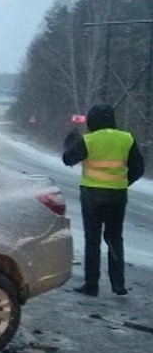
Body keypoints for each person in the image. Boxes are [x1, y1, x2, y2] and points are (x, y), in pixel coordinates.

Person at [62, 104, 145, 296]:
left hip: (92, 195)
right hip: (117, 196)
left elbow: (68, 159)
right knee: (115, 238)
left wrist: (70, 142)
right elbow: (138, 168)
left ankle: (92, 285)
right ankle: (118, 284)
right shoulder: (127, 139)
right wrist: (122, 182)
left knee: (93, 240)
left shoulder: (89, 140)